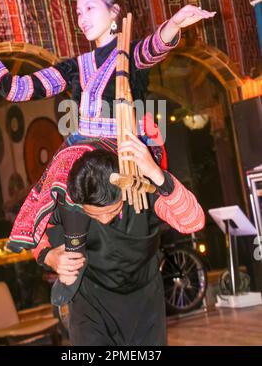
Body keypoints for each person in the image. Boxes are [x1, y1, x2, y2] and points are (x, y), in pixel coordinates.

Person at [0, 0, 215, 295]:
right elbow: (20, 89)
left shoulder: (129, 53)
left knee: (68, 159)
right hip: (86, 148)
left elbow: (154, 46)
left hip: (126, 147)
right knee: (61, 171)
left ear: (114, 12)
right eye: (77, 12)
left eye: (90, 8)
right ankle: (66, 256)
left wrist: (175, 23)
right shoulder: (77, 66)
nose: (82, 18)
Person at [31, 133, 205, 346]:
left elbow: (193, 222)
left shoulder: (142, 192)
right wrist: (49, 256)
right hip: (91, 303)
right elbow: (33, 229)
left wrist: (157, 175)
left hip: (145, 302)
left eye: (111, 210)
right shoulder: (68, 201)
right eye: (94, 214)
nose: (103, 220)